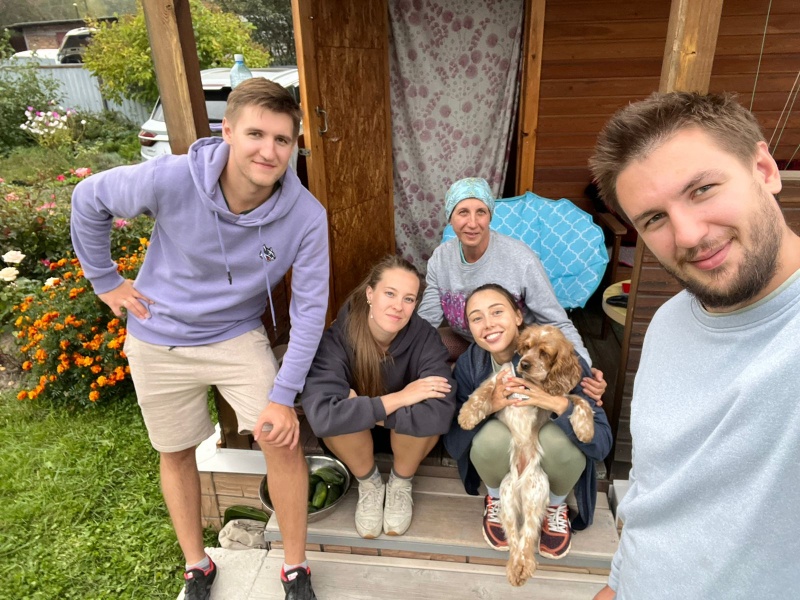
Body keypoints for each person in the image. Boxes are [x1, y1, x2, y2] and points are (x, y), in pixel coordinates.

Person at [70, 78, 328, 600]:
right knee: (176, 450)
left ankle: (295, 567)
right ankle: (197, 565)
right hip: (158, 336)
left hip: (236, 336)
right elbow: (88, 197)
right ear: (227, 131)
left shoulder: (306, 217)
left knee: (282, 439)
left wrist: (283, 397)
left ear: (294, 145)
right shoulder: (171, 178)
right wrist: (105, 280)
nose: (269, 150)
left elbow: (310, 311)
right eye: (256, 134)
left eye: (282, 139)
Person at [588, 91, 800, 599]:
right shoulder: (667, 323)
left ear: (764, 169)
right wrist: (618, 582)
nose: (687, 235)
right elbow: (654, 483)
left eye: (702, 189)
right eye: (654, 219)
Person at [444, 283, 611, 558]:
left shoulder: (564, 358)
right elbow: (454, 442)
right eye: (476, 318)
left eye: (497, 312)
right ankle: (497, 499)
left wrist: (557, 403)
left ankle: (555, 506)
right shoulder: (469, 364)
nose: (488, 324)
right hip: (506, 461)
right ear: (469, 327)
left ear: (518, 316)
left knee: (557, 439)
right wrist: (490, 406)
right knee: (490, 437)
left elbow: (601, 444)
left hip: (548, 459)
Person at [301, 256, 457, 539]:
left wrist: (363, 409)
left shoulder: (425, 337)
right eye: (390, 293)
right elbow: (323, 415)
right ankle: (370, 483)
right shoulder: (338, 337)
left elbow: (441, 412)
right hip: (354, 439)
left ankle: (400, 483)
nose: (398, 306)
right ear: (370, 294)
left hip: (407, 435)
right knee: (339, 422)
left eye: (409, 299)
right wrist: (401, 398)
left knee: (419, 418)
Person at [416, 177, 607, 403]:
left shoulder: (520, 258)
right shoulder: (441, 258)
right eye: (463, 212)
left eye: (481, 212)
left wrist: (584, 370)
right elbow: (426, 320)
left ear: (490, 215)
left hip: (514, 348)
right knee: (419, 355)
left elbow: (557, 321)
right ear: (450, 218)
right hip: (467, 340)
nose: (472, 223)